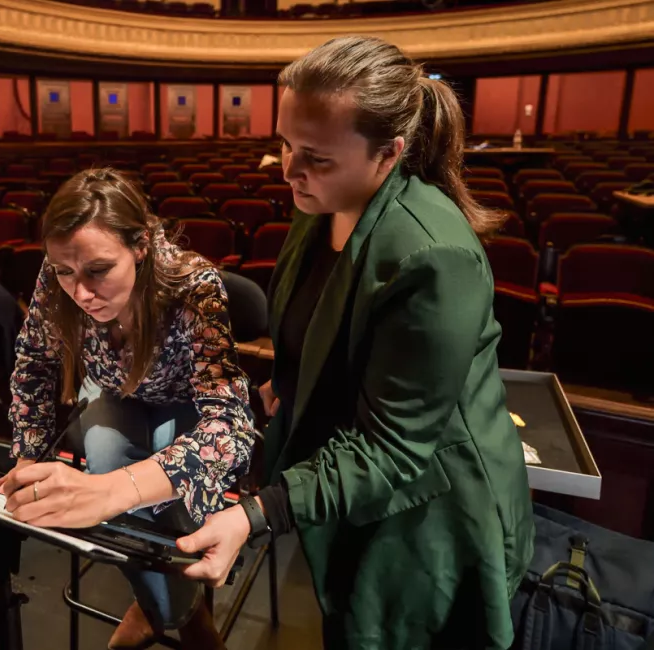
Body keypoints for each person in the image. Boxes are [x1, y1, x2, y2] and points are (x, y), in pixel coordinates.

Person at [176, 36, 535, 649]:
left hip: (429, 517)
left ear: (388, 154)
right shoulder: (321, 202)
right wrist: (280, 388)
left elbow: (394, 444)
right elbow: (324, 336)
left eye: (313, 155)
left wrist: (256, 513)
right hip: (353, 492)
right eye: (284, 144)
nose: (288, 169)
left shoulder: (433, 254)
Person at [0, 168, 255, 650]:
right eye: (67, 273)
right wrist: (28, 456)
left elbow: (230, 424)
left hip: (186, 398)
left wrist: (122, 488)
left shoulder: (193, 284)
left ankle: (168, 613)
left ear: (142, 247)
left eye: (98, 270)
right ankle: (179, 611)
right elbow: (34, 365)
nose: (81, 293)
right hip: (117, 394)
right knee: (108, 455)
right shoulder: (58, 274)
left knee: (160, 481)